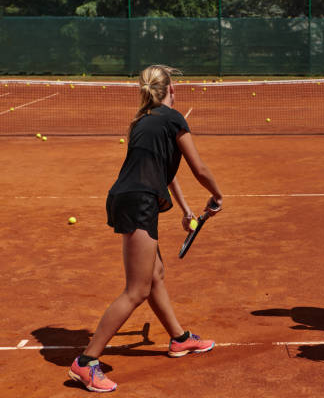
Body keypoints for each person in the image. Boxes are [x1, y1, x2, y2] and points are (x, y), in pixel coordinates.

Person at [68, 65, 223, 392]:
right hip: (139, 202)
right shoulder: (173, 118)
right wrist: (217, 195)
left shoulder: (142, 122)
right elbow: (199, 167)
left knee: (155, 276)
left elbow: (165, 171)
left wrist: (185, 209)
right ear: (171, 90)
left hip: (126, 197)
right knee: (137, 289)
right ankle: (86, 362)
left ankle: (180, 339)